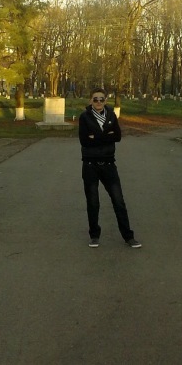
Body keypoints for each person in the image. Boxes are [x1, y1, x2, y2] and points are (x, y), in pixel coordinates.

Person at [78, 87, 141, 248]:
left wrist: (96, 137)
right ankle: (94, 235)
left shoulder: (111, 115)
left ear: (106, 100)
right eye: (95, 99)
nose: (98, 102)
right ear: (91, 101)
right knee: (93, 202)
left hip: (109, 164)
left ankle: (128, 237)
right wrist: (107, 136)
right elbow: (84, 141)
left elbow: (118, 136)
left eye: (101, 99)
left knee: (118, 201)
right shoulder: (84, 117)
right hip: (90, 165)